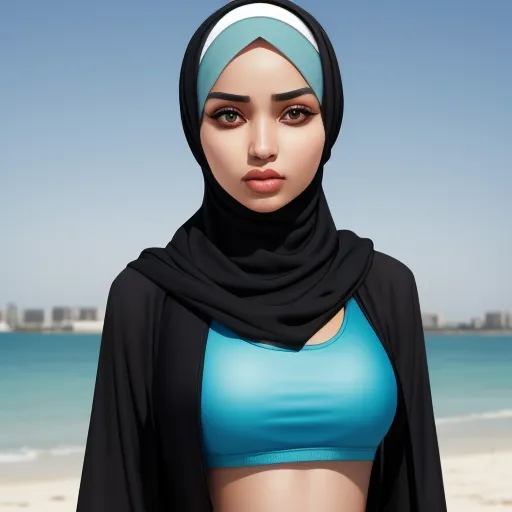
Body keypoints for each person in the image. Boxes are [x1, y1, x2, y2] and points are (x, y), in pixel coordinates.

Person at [76, 1, 447, 511]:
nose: (262, 146)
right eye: (229, 115)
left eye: (295, 112)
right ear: (194, 128)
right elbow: (113, 488)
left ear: (330, 120)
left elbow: (415, 480)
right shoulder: (149, 295)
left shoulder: (385, 286)